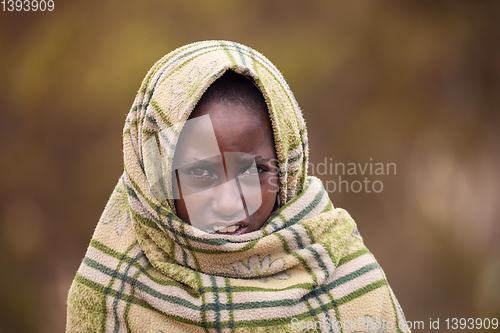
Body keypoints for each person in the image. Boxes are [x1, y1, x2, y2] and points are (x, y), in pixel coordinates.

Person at [67, 40, 411, 332]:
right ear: (156, 179)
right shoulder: (111, 292)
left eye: (254, 171)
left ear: (287, 169)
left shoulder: (349, 281)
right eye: (201, 174)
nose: (230, 203)